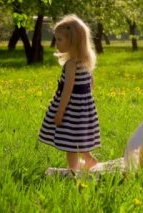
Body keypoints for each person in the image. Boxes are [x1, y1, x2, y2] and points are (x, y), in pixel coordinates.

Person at [38, 14, 100, 171]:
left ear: (73, 41)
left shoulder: (71, 64)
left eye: (59, 40)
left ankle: (72, 171)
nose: (56, 43)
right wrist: (85, 101)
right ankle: (88, 160)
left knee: (70, 144)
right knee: (79, 137)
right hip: (84, 107)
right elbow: (90, 83)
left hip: (71, 109)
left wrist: (60, 112)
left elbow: (67, 90)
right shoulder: (86, 60)